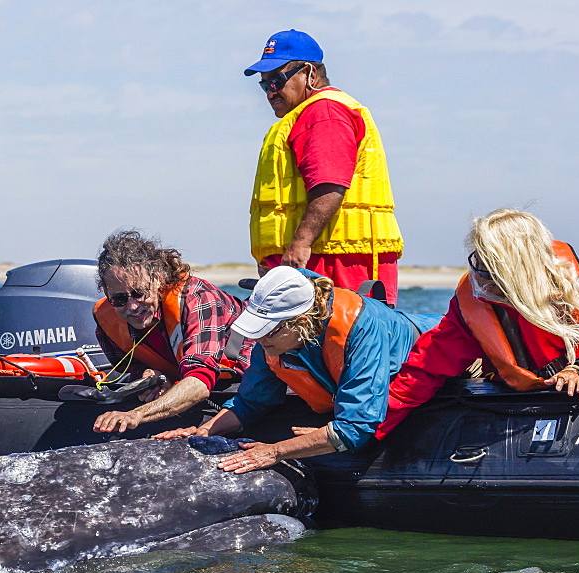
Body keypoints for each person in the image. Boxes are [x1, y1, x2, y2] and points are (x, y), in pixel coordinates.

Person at [154, 266, 439, 473]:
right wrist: (203, 433)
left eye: (268, 332)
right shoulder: (271, 342)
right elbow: (250, 402)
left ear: (300, 323)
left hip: (437, 349)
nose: (259, 339)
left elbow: (356, 427)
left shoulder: (364, 328)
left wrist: (275, 451)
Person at [375, 208, 579, 440]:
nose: (481, 276)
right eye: (479, 262)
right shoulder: (471, 302)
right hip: (511, 388)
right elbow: (427, 367)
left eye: (491, 269)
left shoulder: (570, 285)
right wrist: (370, 427)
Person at [244, 29, 404, 304]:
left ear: (309, 73)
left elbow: (329, 183)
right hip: (310, 264)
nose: (271, 92)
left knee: (338, 343)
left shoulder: (324, 112)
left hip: (335, 264)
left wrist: (300, 244)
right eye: (264, 85)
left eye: (276, 81)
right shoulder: (304, 115)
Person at [92, 230, 253, 433]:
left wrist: (136, 415)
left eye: (139, 293)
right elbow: (131, 367)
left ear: (158, 279)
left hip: (249, 381)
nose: (132, 307)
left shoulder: (199, 298)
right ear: (107, 293)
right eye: (120, 299)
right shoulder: (107, 318)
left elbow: (200, 381)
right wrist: (148, 375)